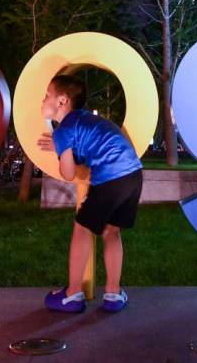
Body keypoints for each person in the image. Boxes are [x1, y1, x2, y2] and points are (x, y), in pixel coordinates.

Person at [36, 73, 143, 314]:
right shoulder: (85, 120)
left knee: (82, 228)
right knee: (111, 230)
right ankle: (114, 294)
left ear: (62, 101)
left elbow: (69, 173)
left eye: (46, 96)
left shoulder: (63, 130)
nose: (42, 101)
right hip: (134, 174)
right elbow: (93, 146)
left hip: (110, 178)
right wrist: (66, 147)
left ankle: (73, 293)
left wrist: (61, 149)